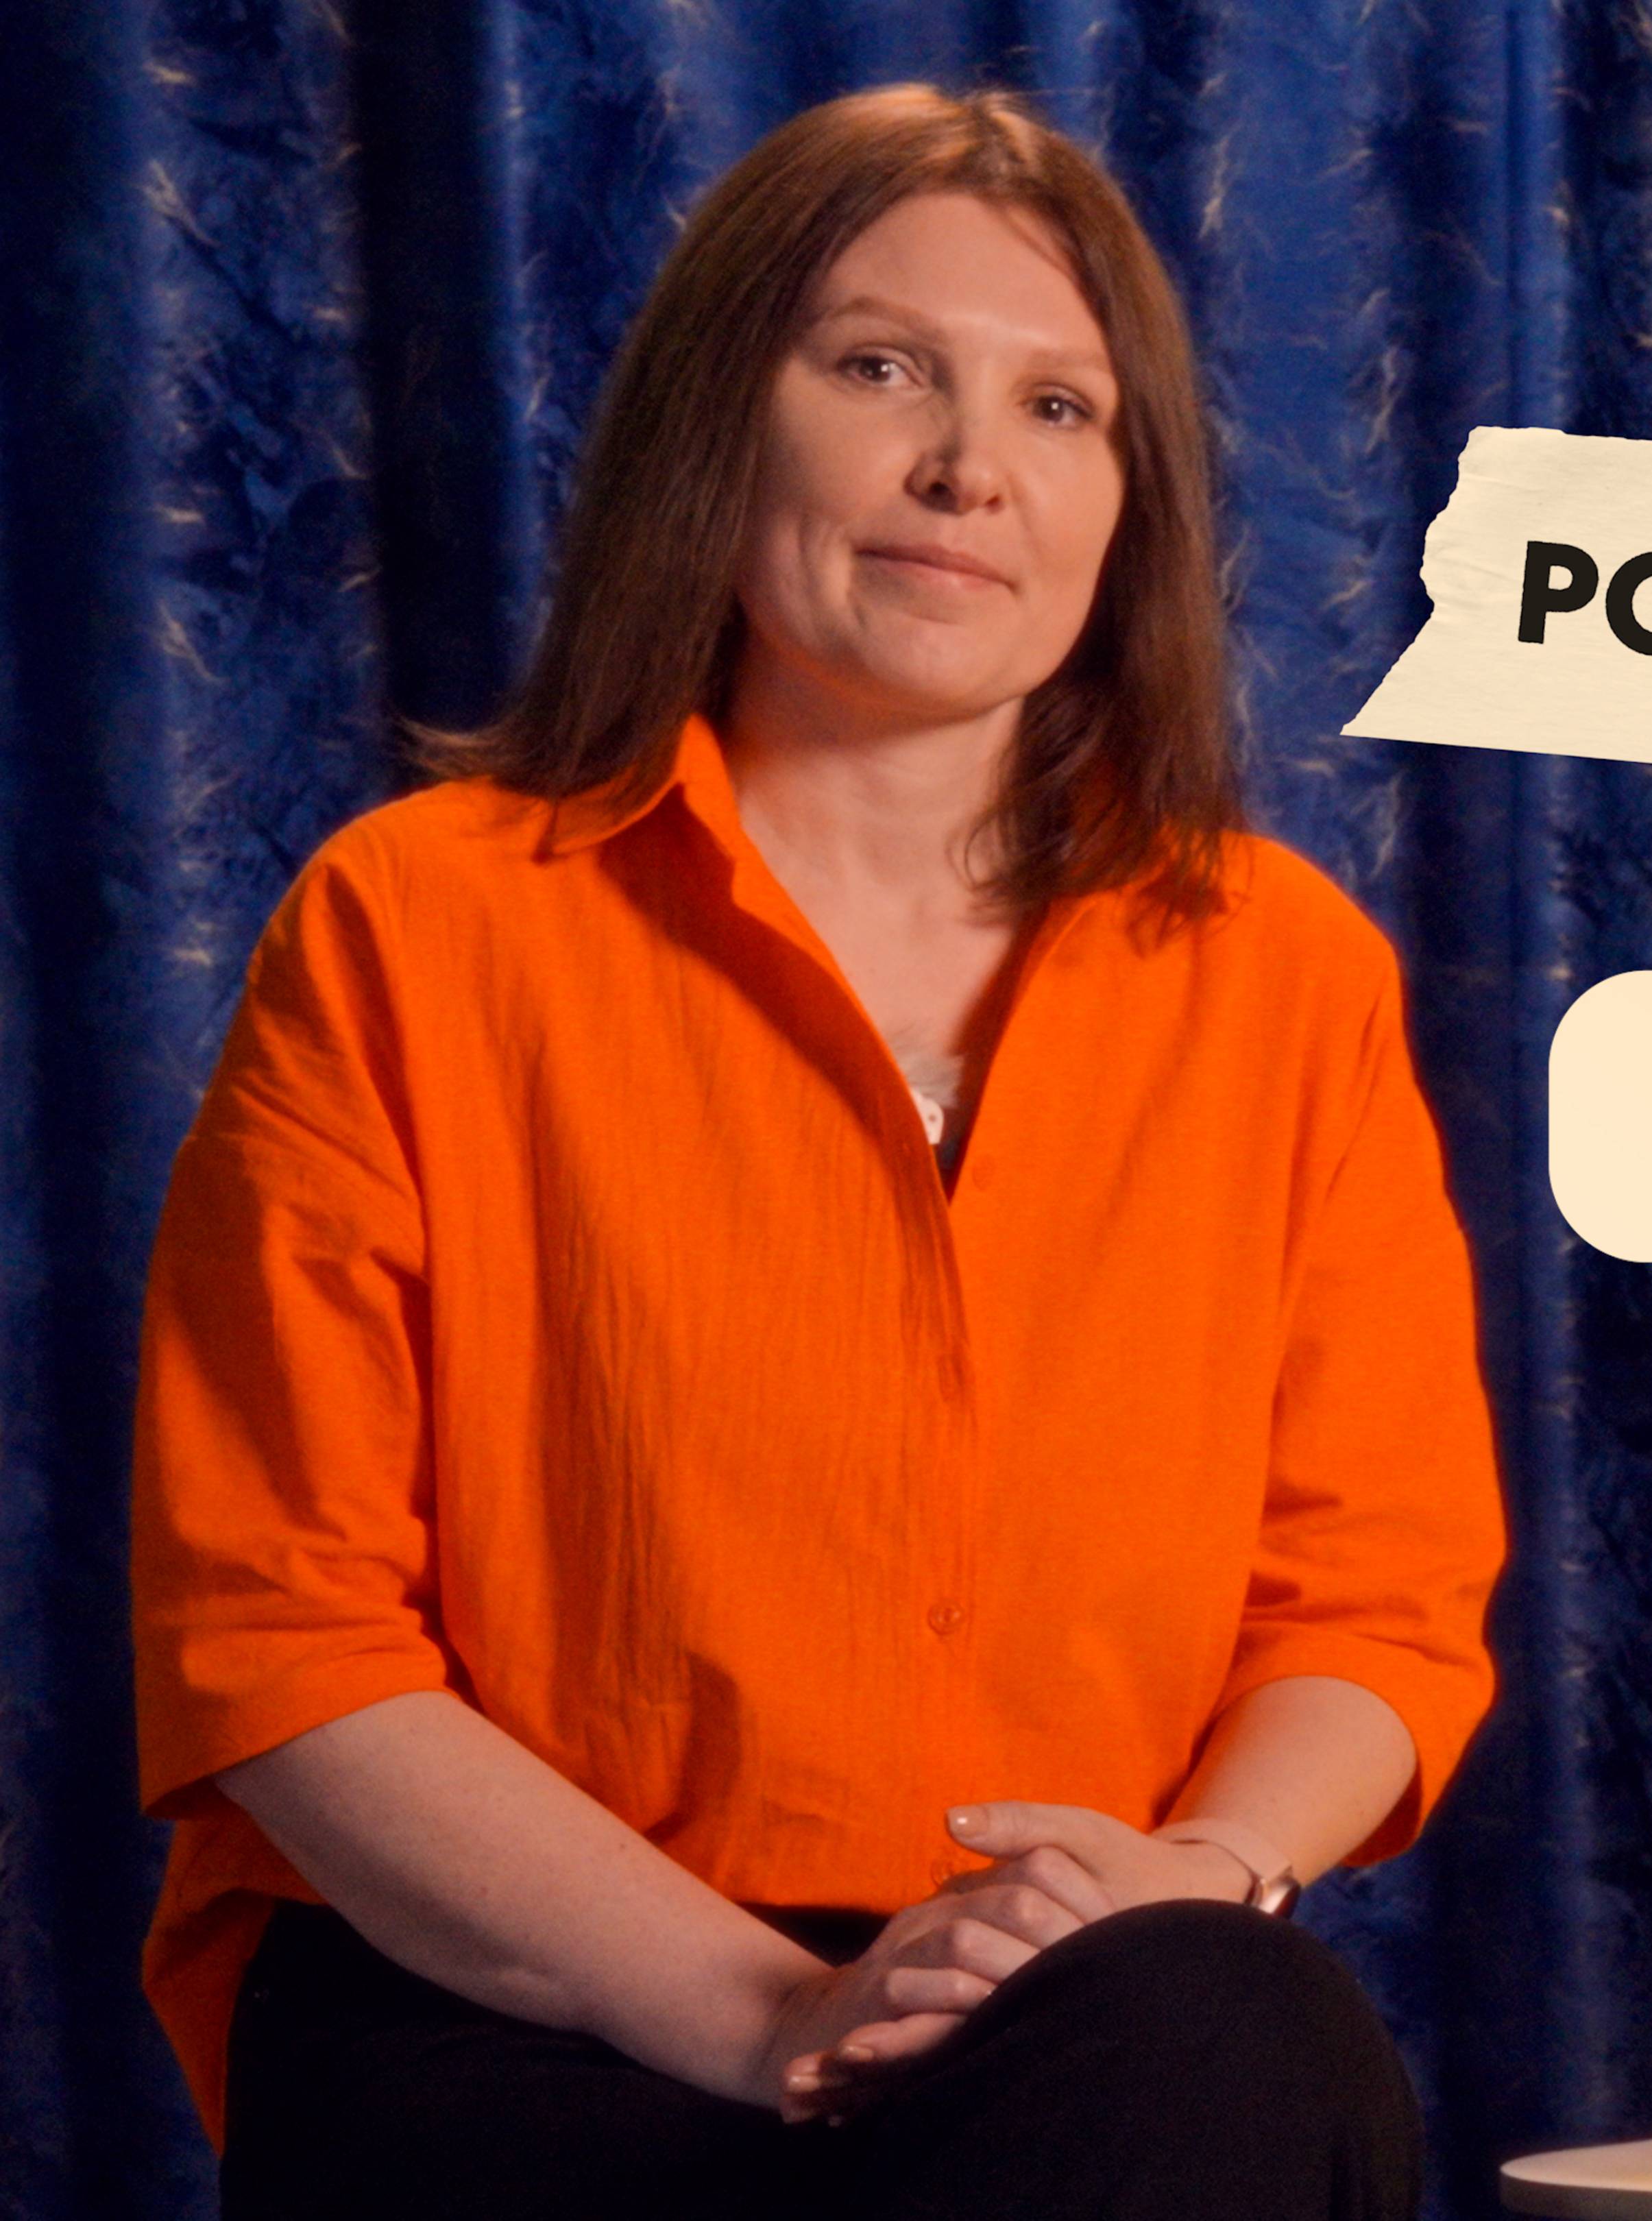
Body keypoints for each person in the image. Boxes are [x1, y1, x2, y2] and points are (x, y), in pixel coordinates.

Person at [128, 85, 1506, 2220]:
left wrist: (1194, 1877)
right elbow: (279, 1642)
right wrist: (780, 2016)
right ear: (719, 421)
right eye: (881, 369)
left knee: (1249, 2036)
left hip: (1073, 2008)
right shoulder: (415, 925)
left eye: (1060, 406)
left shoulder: (1288, 976)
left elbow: (1377, 1602)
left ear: (1129, 504)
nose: (971, 467)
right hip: (519, 2011)